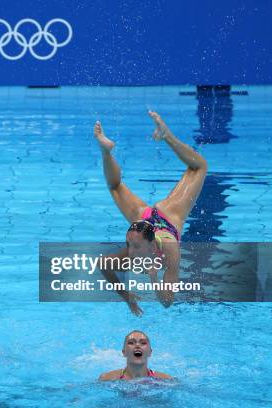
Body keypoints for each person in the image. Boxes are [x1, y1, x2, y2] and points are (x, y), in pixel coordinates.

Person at [95, 112, 207, 315]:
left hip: (168, 215)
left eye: (135, 246)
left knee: (199, 168)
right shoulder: (136, 248)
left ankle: (167, 136)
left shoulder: (170, 250)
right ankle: (106, 152)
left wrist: (155, 279)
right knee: (114, 186)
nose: (130, 251)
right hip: (143, 218)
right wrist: (126, 296)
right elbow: (103, 264)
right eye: (129, 245)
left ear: (152, 245)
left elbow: (167, 301)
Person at [99, 330, 172, 381]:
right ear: (124, 352)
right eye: (131, 343)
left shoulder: (166, 380)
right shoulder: (107, 379)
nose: (137, 345)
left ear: (150, 352)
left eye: (143, 343)